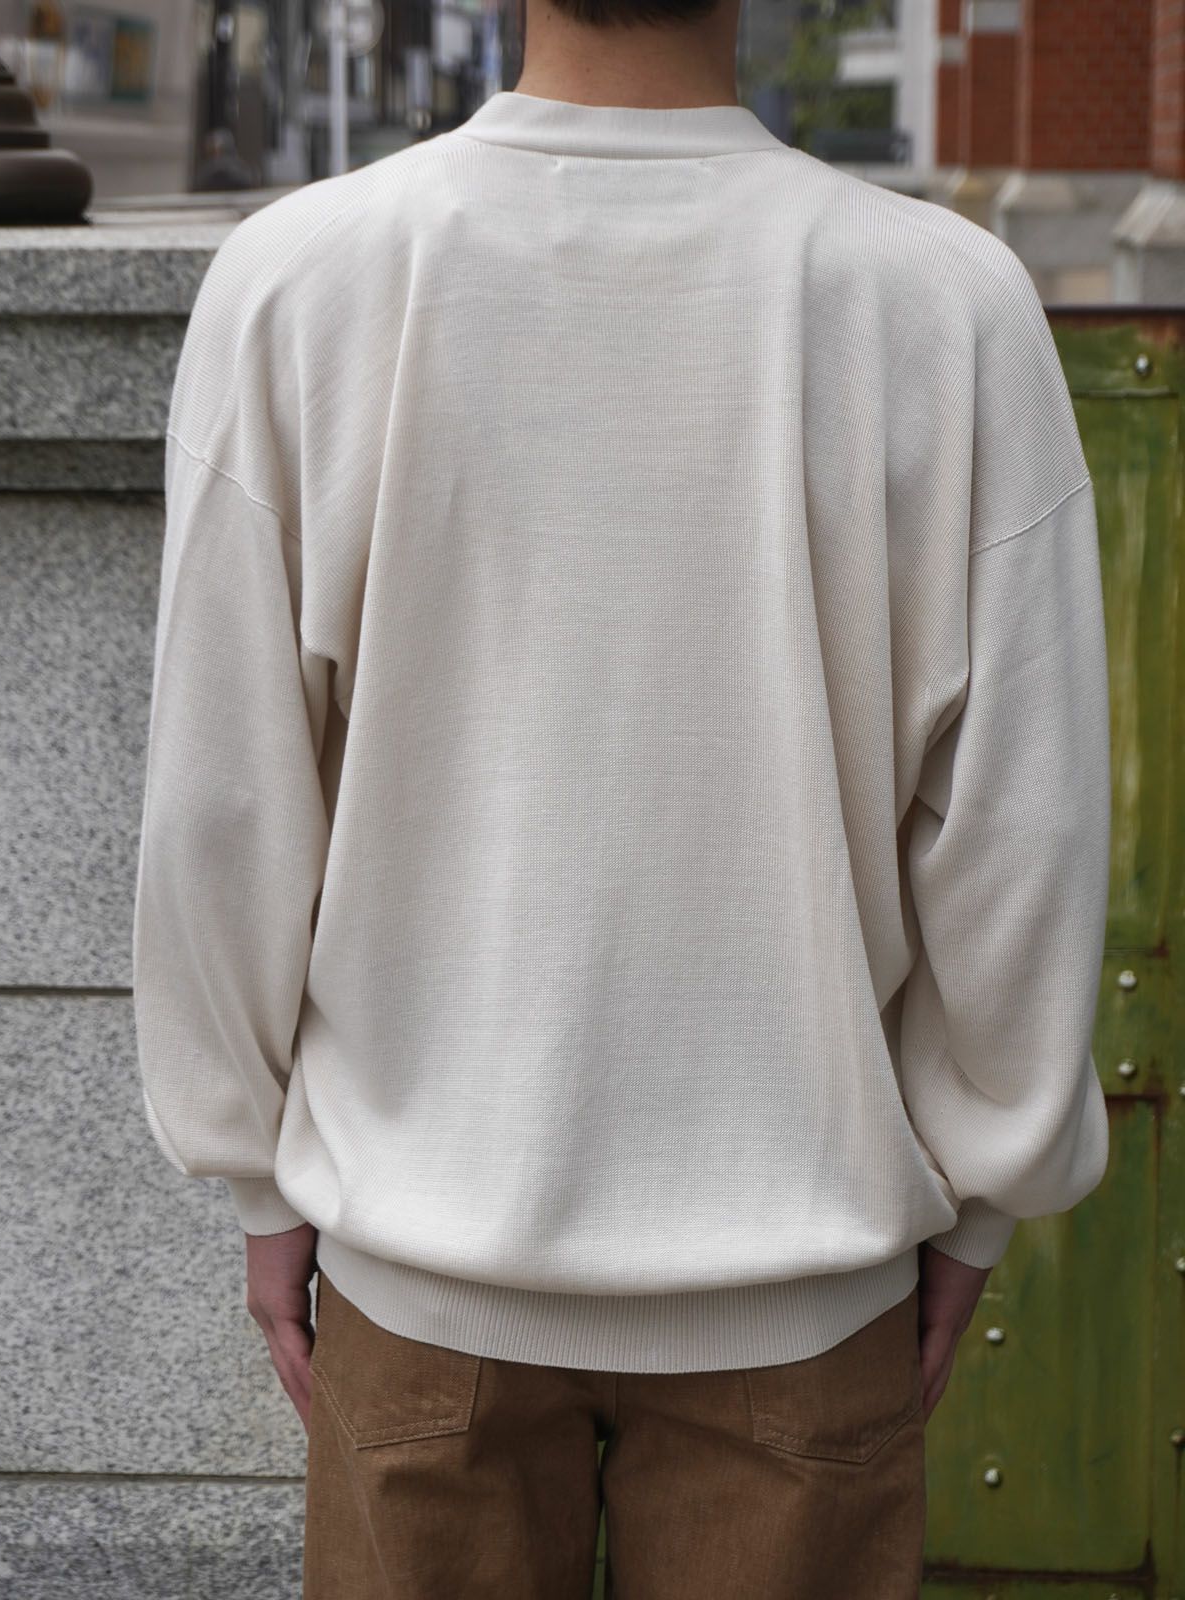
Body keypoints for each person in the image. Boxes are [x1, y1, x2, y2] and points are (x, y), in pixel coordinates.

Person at [130, 0, 1112, 1589]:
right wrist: (987, 1187)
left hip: (420, 1275)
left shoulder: (301, 282)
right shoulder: (948, 305)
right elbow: (1025, 830)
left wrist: (255, 1172)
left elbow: (221, 807)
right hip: (806, 1292)